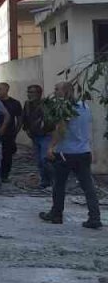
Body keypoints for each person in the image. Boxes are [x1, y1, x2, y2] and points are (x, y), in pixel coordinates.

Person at [40, 82, 102, 229]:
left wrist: (51, 147)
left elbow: (61, 130)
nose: (54, 92)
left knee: (59, 185)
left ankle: (56, 214)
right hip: (83, 151)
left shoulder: (65, 109)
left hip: (65, 153)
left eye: (56, 89)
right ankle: (95, 217)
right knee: (88, 186)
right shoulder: (85, 106)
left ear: (65, 91)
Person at [22, 84, 55, 188]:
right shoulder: (27, 104)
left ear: (39, 94)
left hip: (46, 135)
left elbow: (51, 119)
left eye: (32, 92)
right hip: (35, 136)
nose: (29, 95)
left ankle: (54, 180)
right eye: (29, 92)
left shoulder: (47, 104)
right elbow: (25, 118)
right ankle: (45, 181)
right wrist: (26, 129)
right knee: (39, 161)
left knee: (45, 159)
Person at [0, 82, 24, 183]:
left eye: (0, 89)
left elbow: (19, 119)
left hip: (9, 132)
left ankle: (4, 175)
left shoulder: (15, 103)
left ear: (7, 90)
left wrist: (15, 132)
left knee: (7, 155)